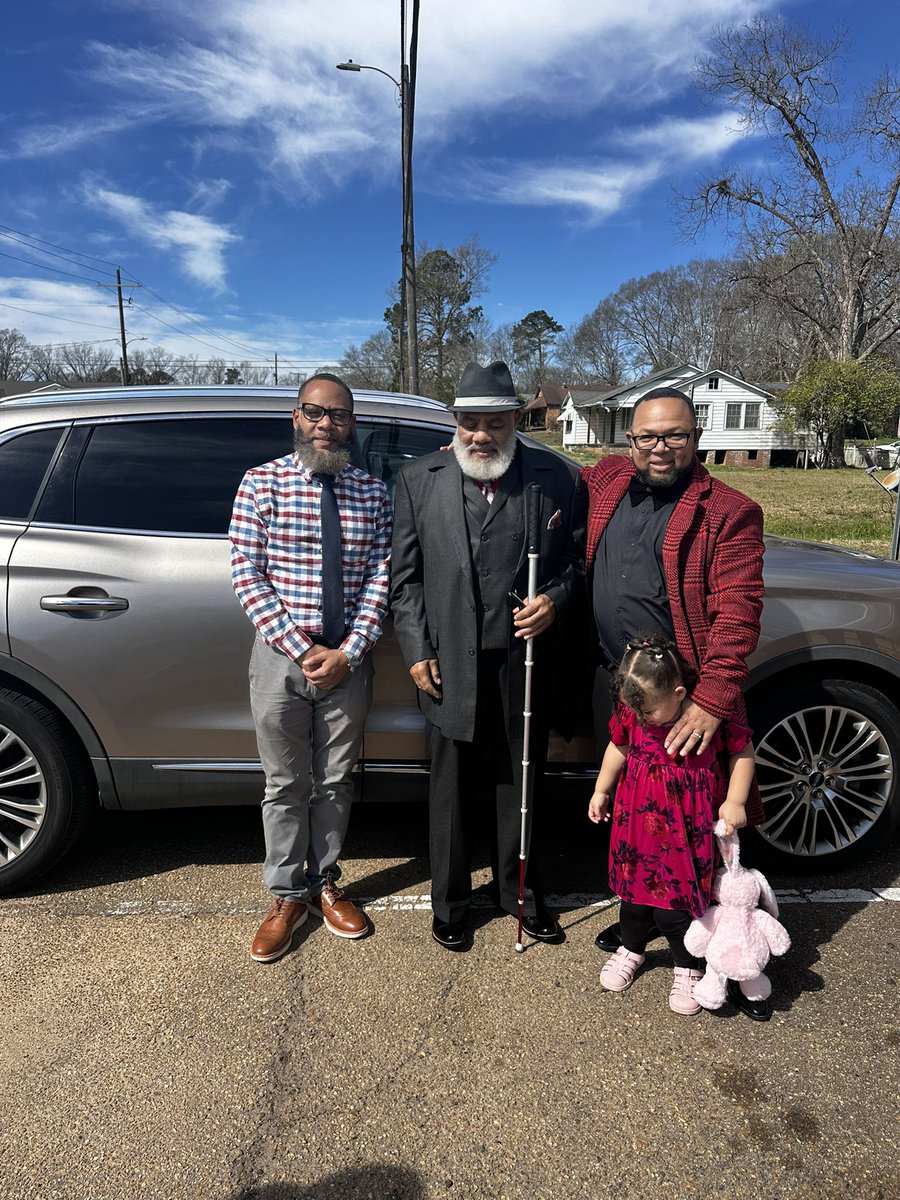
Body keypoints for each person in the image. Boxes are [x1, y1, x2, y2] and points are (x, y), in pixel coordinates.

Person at [390, 360, 586, 950]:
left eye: (495, 423)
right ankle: (449, 903)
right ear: (454, 422)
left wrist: (554, 599)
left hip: (524, 659)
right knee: (450, 785)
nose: (482, 435)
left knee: (520, 777)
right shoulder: (417, 479)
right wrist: (417, 647)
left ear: (515, 421)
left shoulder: (555, 477)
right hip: (448, 658)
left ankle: (520, 891)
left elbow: (576, 563)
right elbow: (405, 580)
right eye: (470, 422)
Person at [582, 386, 765, 1009]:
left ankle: (707, 943)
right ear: (628, 440)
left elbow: (737, 613)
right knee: (633, 811)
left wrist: (711, 700)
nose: (660, 448)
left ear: (697, 435)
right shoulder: (607, 479)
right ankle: (641, 918)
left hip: (681, 697)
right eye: (647, 437)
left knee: (696, 822)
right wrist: (480, 438)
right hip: (621, 685)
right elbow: (552, 472)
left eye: (675, 435)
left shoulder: (729, 511)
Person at [230, 373, 392, 962]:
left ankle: (324, 883)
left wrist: (349, 650)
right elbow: (246, 573)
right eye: (315, 413)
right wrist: (302, 650)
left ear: (352, 425)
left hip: (349, 660)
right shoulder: (261, 484)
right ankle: (284, 895)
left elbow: (381, 576)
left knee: (334, 781)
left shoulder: (372, 493)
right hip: (281, 657)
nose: (327, 424)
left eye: (340, 416)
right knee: (283, 784)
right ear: (296, 418)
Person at [588, 634, 756, 1015]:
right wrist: (601, 790)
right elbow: (618, 747)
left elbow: (743, 751)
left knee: (675, 911)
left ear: (680, 693)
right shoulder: (635, 711)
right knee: (632, 903)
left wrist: (735, 800)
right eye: (637, 711)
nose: (642, 718)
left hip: (686, 831)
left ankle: (687, 966)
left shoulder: (708, 717)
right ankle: (632, 948)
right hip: (636, 827)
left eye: (649, 711)